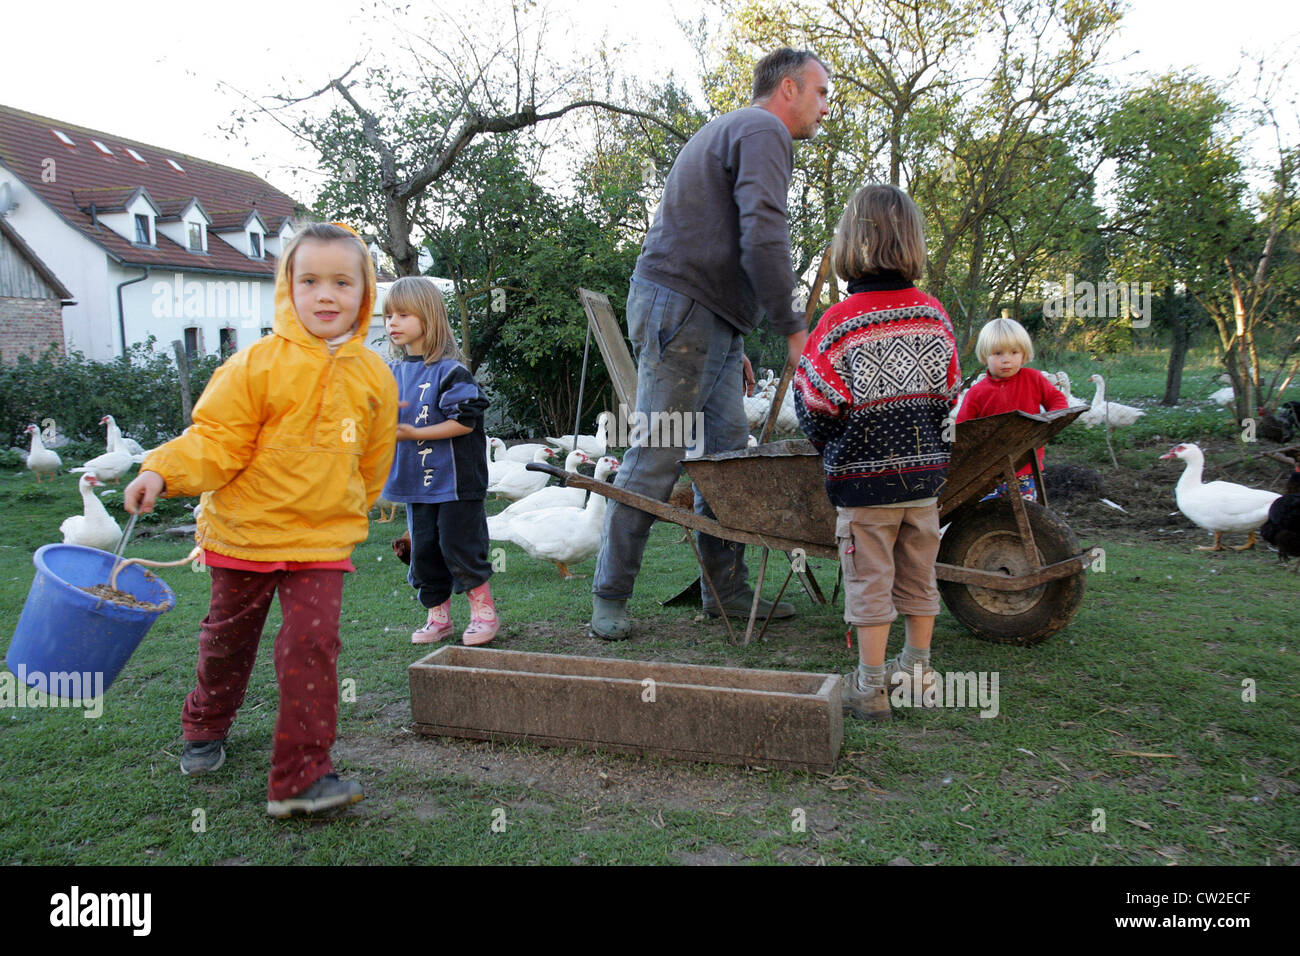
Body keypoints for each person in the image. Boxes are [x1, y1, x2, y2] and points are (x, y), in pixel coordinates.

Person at [123, 222, 398, 817]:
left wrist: (348, 506)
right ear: (287, 287)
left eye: (342, 282)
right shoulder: (254, 366)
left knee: (312, 644)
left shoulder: (376, 375)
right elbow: (215, 440)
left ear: (365, 291)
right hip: (243, 534)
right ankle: (205, 725)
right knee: (228, 640)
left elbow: (374, 462)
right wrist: (161, 473)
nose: (326, 295)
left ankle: (300, 779)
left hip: (321, 541)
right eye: (311, 281)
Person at [590, 47, 830, 641]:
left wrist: (734, 334)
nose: (826, 109)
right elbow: (763, 232)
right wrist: (793, 327)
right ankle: (610, 596)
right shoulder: (762, 128)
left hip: (705, 313)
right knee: (659, 452)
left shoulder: (736, 131)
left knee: (726, 459)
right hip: (683, 304)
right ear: (789, 89)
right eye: (821, 93)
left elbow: (723, 238)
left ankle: (724, 594)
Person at [793, 185, 960, 721]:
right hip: (925, 482)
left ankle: (869, 687)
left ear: (851, 244)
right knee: (919, 572)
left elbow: (814, 400)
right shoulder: (933, 316)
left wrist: (836, 446)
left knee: (870, 581)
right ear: (911, 242)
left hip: (865, 485)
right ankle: (917, 670)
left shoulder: (841, 322)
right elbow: (951, 394)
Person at [381, 276, 496, 645]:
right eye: (388, 316)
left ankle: (483, 614)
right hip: (417, 484)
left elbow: (464, 422)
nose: (392, 323)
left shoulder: (451, 371)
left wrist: (412, 434)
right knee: (424, 550)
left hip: (456, 482)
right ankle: (438, 617)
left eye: (402, 314)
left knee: (460, 546)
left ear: (428, 318)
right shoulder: (392, 374)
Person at [956, 317, 1068, 502]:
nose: (1006, 360)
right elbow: (963, 429)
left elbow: (1058, 401)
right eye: (998, 353)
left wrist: (1046, 425)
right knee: (986, 515)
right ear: (985, 357)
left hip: (1025, 467)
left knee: (1026, 513)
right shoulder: (977, 393)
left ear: (1024, 355)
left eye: (1014, 352)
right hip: (987, 473)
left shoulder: (1034, 379)